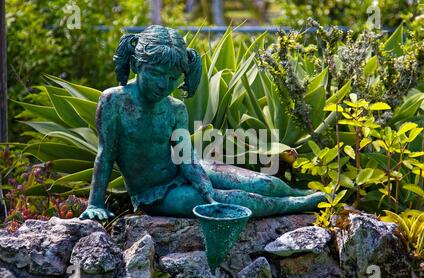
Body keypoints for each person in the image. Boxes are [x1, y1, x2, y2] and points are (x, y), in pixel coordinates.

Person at [80, 25, 324, 221]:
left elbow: (185, 158)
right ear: (136, 65)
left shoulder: (175, 108)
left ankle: (301, 194)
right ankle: (298, 204)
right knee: (236, 199)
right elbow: (105, 154)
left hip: (191, 170)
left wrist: (205, 188)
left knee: (263, 182)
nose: (163, 85)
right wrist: (95, 204)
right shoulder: (114, 101)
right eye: (155, 74)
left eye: (173, 78)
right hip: (154, 194)